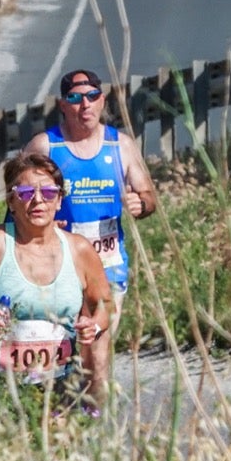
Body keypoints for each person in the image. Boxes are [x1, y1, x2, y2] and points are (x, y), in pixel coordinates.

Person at [21, 69, 157, 391]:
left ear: (102, 100)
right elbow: (16, 198)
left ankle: (94, 427)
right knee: (62, 356)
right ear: (62, 104)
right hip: (57, 268)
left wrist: (142, 204)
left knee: (97, 354)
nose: (85, 104)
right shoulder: (46, 146)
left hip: (108, 269)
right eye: (75, 98)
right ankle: (57, 418)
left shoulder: (119, 145)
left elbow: (150, 195)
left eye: (92, 96)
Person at [0, 153, 111, 410]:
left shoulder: (79, 250)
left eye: (48, 192)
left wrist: (94, 325)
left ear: (59, 201)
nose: (37, 201)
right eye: (24, 193)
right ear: (11, 201)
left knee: (57, 449)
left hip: (61, 384)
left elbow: (104, 305)